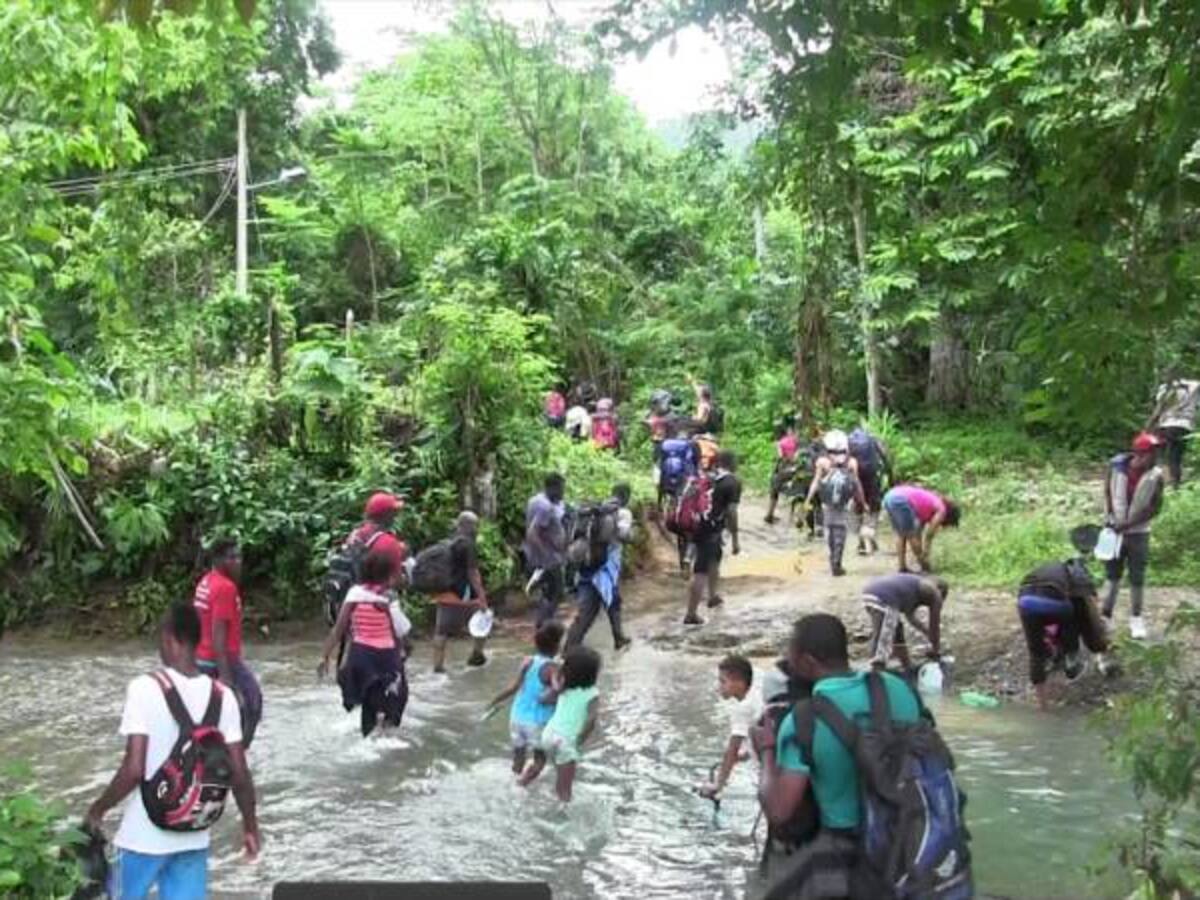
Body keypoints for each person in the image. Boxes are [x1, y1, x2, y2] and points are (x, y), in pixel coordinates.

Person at [86, 603, 260, 900]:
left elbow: (134, 769)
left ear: (171, 639)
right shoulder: (224, 696)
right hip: (193, 835)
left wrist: (98, 808)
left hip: (143, 837)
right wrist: (249, 826)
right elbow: (239, 772)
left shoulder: (144, 688)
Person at [751, 614, 923, 900]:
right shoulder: (899, 688)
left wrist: (767, 750)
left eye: (790, 654)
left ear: (806, 661)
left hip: (848, 847)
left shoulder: (803, 719)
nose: (787, 662)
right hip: (909, 834)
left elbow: (779, 810)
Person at [318, 545, 411, 737]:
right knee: (396, 701)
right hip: (386, 658)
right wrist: (407, 646)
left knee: (369, 704)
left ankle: (368, 736)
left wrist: (325, 656)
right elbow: (402, 628)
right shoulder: (388, 597)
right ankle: (386, 740)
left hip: (360, 657)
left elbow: (338, 630)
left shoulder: (354, 594)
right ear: (389, 575)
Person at [193, 540, 262, 749]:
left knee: (212, 714)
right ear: (219, 560)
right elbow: (218, 634)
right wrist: (225, 677)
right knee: (253, 703)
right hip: (221, 659)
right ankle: (239, 755)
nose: (238, 562)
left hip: (201, 658)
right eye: (232, 557)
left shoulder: (207, 581)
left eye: (239, 557)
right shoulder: (225, 588)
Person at [1018, 558, 1109, 709]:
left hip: (1025, 602)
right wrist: (1099, 645)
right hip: (1054, 604)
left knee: (1035, 652)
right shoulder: (1079, 575)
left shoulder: (1044, 570)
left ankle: (1042, 706)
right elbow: (1090, 618)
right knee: (1073, 615)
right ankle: (1071, 659)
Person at [1102, 432, 1166, 640]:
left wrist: (1129, 524)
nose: (1156, 456)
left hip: (1139, 533)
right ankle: (1105, 617)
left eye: (1157, 452)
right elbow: (1107, 492)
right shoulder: (1116, 467)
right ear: (1139, 453)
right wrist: (1111, 518)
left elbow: (1155, 507)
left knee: (1137, 578)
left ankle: (1136, 619)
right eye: (1152, 452)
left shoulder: (1156, 475)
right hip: (1113, 530)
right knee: (1112, 577)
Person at [518, 645, 601, 802]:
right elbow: (591, 720)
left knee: (537, 765)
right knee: (564, 789)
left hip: (548, 735)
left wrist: (557, 678)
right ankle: (563, 815)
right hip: (566, 741)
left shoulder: (563, 687)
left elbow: (543, 700)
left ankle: (521, 784)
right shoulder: (593, 694)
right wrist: (579, 740)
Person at [488, 621, 565, 777]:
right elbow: (557, 690)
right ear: (557, 646)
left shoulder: (527, 662)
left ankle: (515, 780)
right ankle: (523, 784)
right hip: (537, 721)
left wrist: (494, 700)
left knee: (518, 757)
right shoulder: (553, 668)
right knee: (540, 760)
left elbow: (513, 687)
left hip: (516, 718)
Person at [565, 484, 634, 652]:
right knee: (590, 610)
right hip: (605, 567)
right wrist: (633, 535)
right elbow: (625, 535)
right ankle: (569, 648)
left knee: (611, 602)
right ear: (626, 497)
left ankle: (619, 637)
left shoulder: (596, 512)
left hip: (588, 564)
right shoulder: (622, 513)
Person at [685, 450, 742, 626]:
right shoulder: (732, 482)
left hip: (699, 525)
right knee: (700, 570)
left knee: (714, 560)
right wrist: (735, 538)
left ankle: (712, 596)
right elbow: (732, 512)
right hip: (710, 529)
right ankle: (691, 613)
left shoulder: (708, 477)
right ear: (733, 463)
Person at [430, 512, 490, 673]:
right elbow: (472, 573)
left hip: (443, 593)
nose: (477, 529)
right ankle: (476, 655)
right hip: (464, 594)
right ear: (467, 526)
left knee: (441, 632)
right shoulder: (468, 544)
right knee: (483, 621)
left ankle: (438, 666)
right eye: (475, 525)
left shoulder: (445, 543)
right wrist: (482, 598)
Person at [697, 655, 761, 800]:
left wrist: (717, 785)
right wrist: (746, 754)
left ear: (739, 683)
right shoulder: (756, 697)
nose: (719, 687)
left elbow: (732, 749)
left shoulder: (742, 708)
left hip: (769, 774)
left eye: (722, 681)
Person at [804, 431, 865, 577]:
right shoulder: (851, 462)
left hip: (828, 503)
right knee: (841, 530)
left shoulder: (822, 462)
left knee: (829, 529)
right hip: (845, 503)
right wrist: (862, 501)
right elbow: (856, 484)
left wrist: (808, 499)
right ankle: (837, 561)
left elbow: (816, 482)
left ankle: (833, 559)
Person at [862, 573, 948, 670]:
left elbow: (911, 619)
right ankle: (877, 667)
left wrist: (926, 632)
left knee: (897, 628)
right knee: (884, 633)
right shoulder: (933, 591)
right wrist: (935, 650)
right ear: (941, 591)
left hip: (872, 592)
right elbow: (934, 624)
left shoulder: (912, 589)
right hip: (884, 597)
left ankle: (906, 665)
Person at [882, 483, 961, 573]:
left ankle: (902, 567)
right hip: (900, 499)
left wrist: (920, 548)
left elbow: (918, 532)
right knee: (910, 535)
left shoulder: (928, 506)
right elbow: (929, 535)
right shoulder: (942, 509)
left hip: (890, 496)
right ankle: (924, 565)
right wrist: (925, 554)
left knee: (901, 534)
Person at [523, 473, 568, 628]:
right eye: (562, 489)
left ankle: (545, 624)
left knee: (548, 594)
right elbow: (532, 533)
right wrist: (546, 556)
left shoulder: (535, 500)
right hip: (548, 559)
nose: (563, 493)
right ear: (553, 488)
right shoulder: (546, 507)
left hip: (535, 556)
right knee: (556, 594)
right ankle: (543, 626)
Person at [848, 426, 891, 555]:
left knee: (858, 506)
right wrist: (890, 475)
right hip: (872, 476)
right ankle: (870, 533)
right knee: (874, 507)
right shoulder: (873, 439)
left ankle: (861, 540)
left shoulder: (849, 441)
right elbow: (884, 457)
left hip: (856, 476)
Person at [1150, 376, 1198, 488]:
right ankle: (1175, 483)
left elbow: (1159, 408)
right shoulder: (1193, 386)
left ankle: (1157, 480)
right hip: (1184, 426)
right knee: (1175, 457)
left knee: (1160, 455)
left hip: (1166, 425)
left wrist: (1150, 425)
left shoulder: (1164, 388)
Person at [765, 422, 801, 526]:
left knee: (774, 490)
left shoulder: (781, 442)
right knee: (798, 492)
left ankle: (770, 514)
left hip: (783, 470)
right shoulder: (797, 443)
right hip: (795, 470)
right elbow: (797, 457)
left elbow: (780, 456)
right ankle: (798, 518)